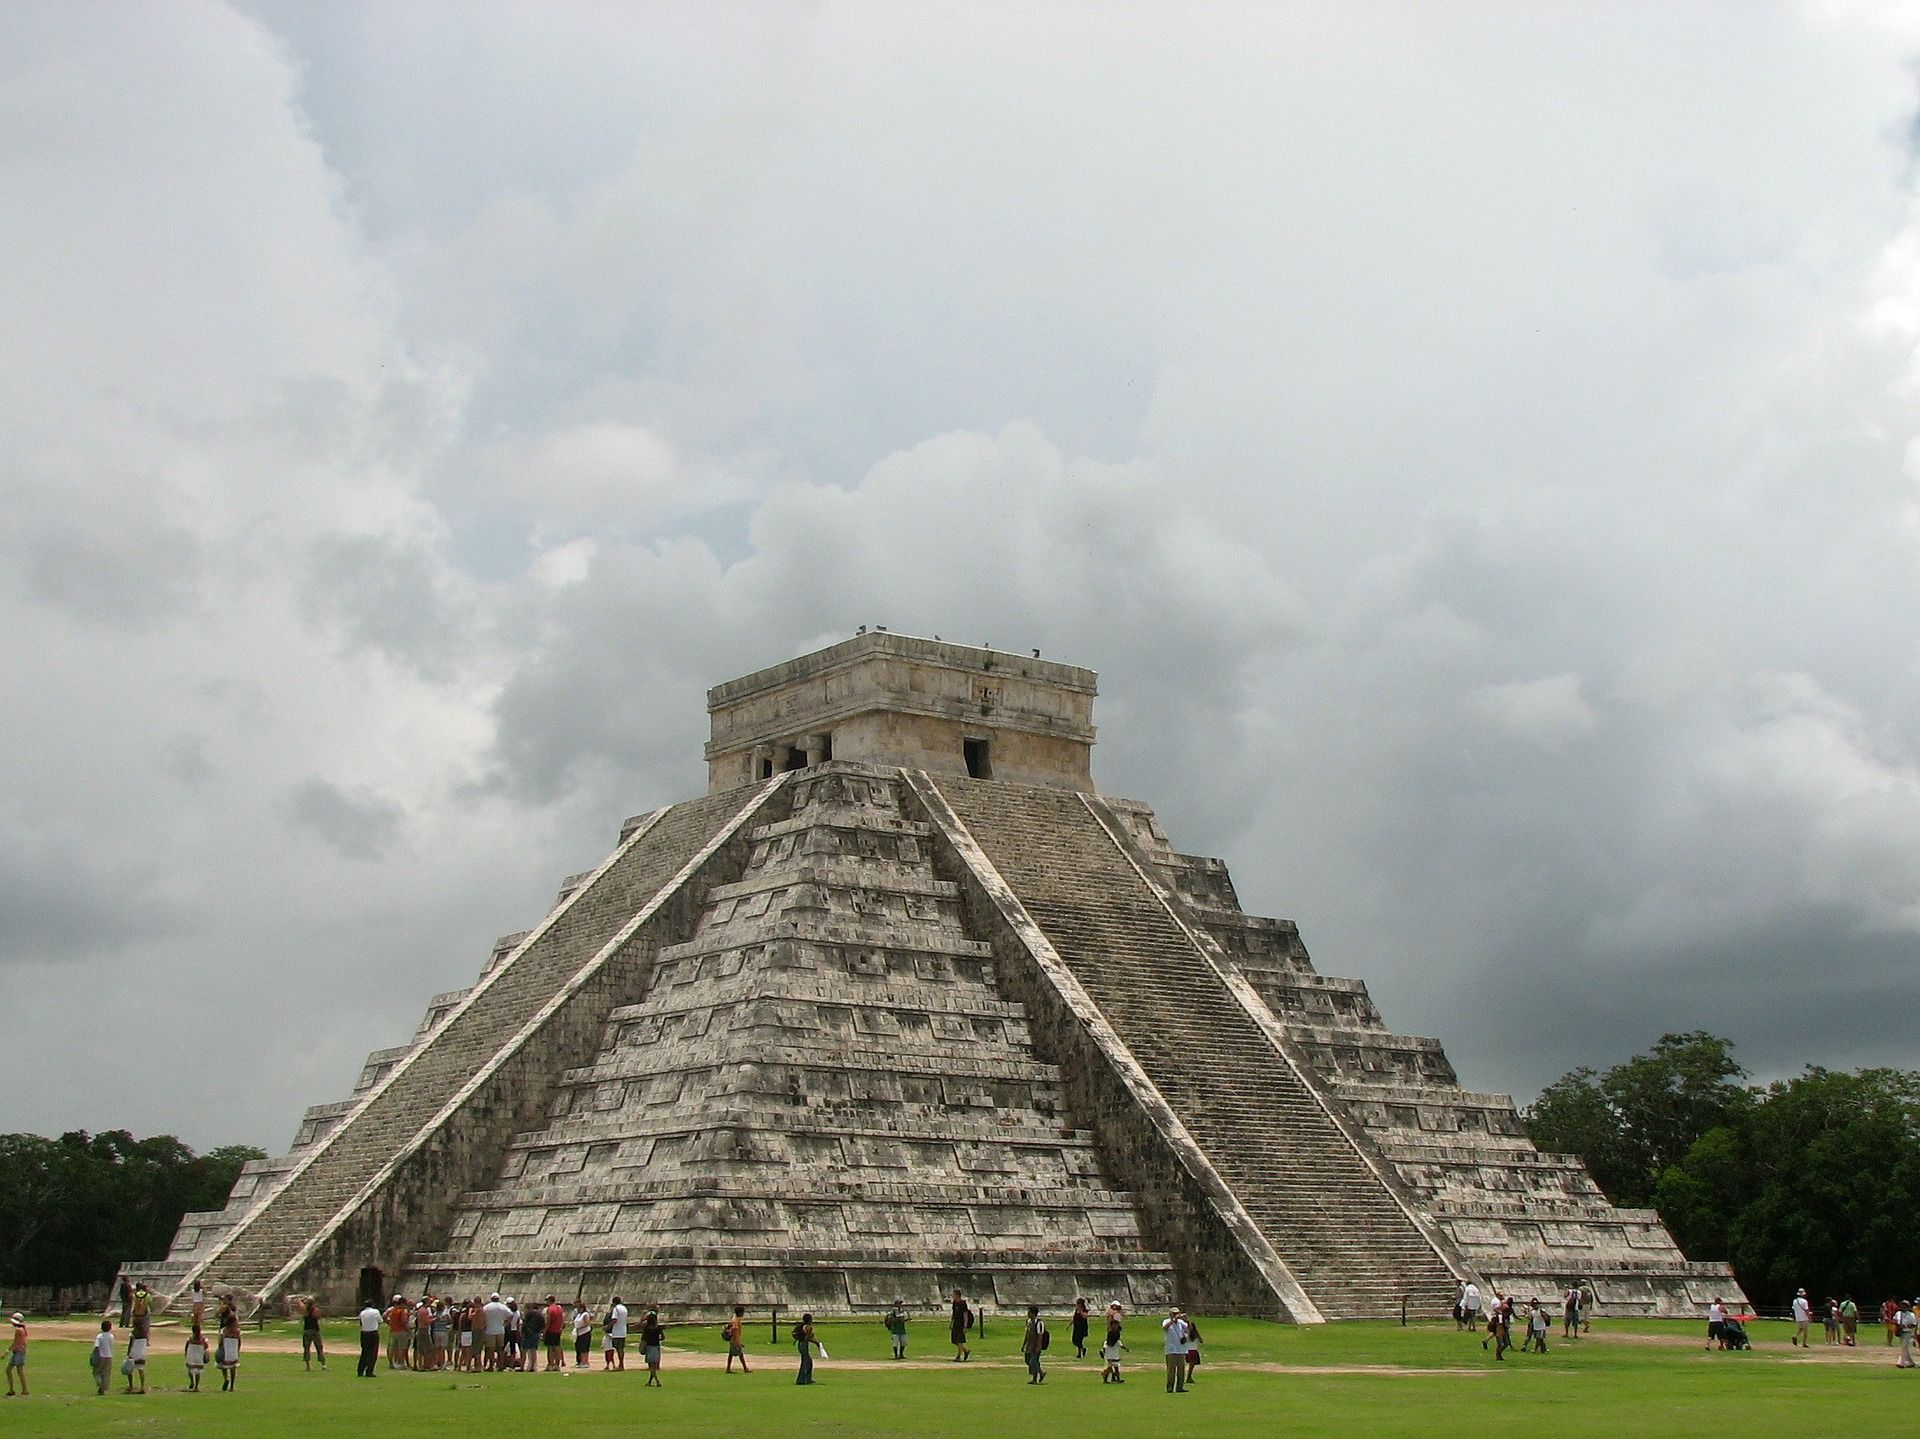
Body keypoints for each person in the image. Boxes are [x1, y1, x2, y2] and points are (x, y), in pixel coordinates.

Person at [217, 1299, 242, 1391]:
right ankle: (229, 1383)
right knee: (227, 1363)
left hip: (228, 1339)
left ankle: (229, 1382)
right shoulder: (230, 1316)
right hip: (231, 1339)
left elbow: (225, 1328)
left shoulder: (231, 1317)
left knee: (228, 1363)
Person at [1161, 1308, 1188, 1392]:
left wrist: (1187, 1320)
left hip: (1181, 1349)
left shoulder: (1181, 1323)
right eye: (1174, 1313)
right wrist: (1173, 1320)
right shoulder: (1166, 1321)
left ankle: (1180, 1387)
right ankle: (1170, 1387)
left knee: (1181, 1370)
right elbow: (1165, 1328)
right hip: (1171, 1349)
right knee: (1171, 1370)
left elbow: (1189, 1328)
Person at [482, 1292, 510, 1370]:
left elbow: (483, 1317)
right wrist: (505, 1324)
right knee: (500, 1349)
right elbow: (510, 1315)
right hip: (500, 1330)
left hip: (490, 1330)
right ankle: (500, 1365)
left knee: (490, 1349)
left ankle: (491, 1366)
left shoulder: (486, 1307)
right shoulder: (503, 1307)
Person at [1100, 1302, 1126, 1384]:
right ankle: (1109, 1378)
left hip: (1112, 1349)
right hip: (1111, 1349)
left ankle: (1114, 1378)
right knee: (1111, 1366)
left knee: (1113, 1366)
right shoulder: (1112, 1332)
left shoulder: (1115, 1330)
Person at [1021, 1305, 1048, 1384]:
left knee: (1033, 1361)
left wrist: (1038, 1346)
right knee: (1027, 1360)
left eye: (1029, 1312)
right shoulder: (1029, 1322)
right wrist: (1023, 1344)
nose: (1028, 1314)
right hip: (1029, 1345)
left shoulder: (1039, 1323)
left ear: (1033, 1313)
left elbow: (1040, 1335)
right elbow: (1027, 1334)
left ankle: (1035, 1379)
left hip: (1035, 1345)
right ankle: (1041, 1372)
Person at [640, 1309, 666, 1385]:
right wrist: (657, 1339)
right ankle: (650, 1381)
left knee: (651, 1366)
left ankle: (657, 1380)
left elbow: (643, 1339)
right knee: (653, 1366)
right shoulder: (658, 1328)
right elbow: (663, 1337)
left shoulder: (646, 1329)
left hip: (649, 1347)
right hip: (656, 1347)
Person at [793, 1311, 820, 1385]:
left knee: (808, 1362)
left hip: (801, 1345)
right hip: (804, 1345)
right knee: (806, 1362)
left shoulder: (802, 1326)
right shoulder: (808, 1327)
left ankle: (807, 1379)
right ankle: (802, 1380)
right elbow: (808, 1338)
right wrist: (817, 1342)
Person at [357, 1298, 382, 1377]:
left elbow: (361, 1323)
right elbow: (380, 1321)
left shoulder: (362, 1313)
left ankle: (360, 1370)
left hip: (364, 1333)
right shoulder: (376, 1312)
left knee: (364, 1352)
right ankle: (369, 1371)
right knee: (373, 1353)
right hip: (373, 1333)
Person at [301, 1296, 326, 1370]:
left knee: (306, 1348)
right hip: (315, 1330)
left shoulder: (304, 1310)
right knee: (319, 1348)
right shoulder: (316, 1310)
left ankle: (308, 1366)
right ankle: (323, 1365)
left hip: (307, 1330)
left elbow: (299, 1302)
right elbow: (319, 1316)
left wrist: (304, 1298)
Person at [91, 1320, 114, 1396]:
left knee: (96, 1372)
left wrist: (93, 1355)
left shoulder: (99, 1336)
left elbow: (96, 1347)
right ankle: (104, 1389)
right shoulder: (111, 1336)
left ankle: (100, 1384)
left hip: (101, 1356)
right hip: (109, 1356)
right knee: (106, 1374)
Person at [725, 1304, 750, 1373]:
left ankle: (728, 1368)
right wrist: (738, 1342)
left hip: (733, 1341)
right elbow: (734, 1330)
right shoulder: (735, 1320)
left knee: (731, 1355)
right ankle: (745, 1368)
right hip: (735, 1341)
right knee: (740, 1355)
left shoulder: (734, 1319)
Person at [183, 1324, 208, 1392]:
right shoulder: (203, 1338)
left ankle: (192, 1382)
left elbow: (187, 1346)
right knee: (198, 1371)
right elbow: (206, 1346)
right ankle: (196, 1386)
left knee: (190, 1369)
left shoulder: (191, 1337)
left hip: (191, 1353)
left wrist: (186, 1353)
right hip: (199, 1354)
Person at [949, 1289, 972, 1361]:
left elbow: (965, 1315)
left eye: (954, 1294)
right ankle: (965, 1350)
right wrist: (951, 1322)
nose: (953, 1296)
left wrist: (965, 1326)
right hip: (956, 1322)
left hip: (961, 1323)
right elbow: (954, 1313)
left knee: (959, 1340)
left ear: (957, 1295)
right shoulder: (954, 1303)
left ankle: (958, 1356)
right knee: (954, 1340)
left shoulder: (963, 1303)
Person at [6, 1313, 26, 1397]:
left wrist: (7, 1351)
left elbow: (15, 1342)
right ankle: (12, 1389)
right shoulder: (22, 1329)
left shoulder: (19, 1330)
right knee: (9, 1370)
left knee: (19, 1372)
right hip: (17, 1352)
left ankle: (24, 1389)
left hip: (18, 1352)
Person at [544, 1295, 566, 1371]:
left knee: (550, 1348)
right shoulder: (559, 1309)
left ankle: (550, 1364)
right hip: (557, 1331)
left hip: (551, 1330)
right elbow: (562, 1320)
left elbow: (548, 1321)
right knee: (557, 1348)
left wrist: (544, 1331)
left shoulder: (549, 1309)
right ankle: (557, 1365)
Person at [607, 1295, 629, 1371]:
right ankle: (621, 1363)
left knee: (618, 1348)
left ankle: (621, 1365)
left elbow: (614, 1319)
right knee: (621, 1348)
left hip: (617, 1331)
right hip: (623, 1330)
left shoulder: (616, 1309)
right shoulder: (624, 1308)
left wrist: (608, 1327)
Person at [1895, 1299, 1916, 1369]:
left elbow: (1914, 1324)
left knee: (1904, 1347)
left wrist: (1905, 1326)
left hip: (1908, 1332)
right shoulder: (1898, 1313)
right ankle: (1910, 1362)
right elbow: (1895, 1320)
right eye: (1901, 1305)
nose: (1902, 1306)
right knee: (1904, 1348)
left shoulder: (1911, 1314)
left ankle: (1901, 1362)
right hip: (1900, 1332)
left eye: (1904, 1305)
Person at [573, 1302, 593, 1369]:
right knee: (579, 1348)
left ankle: (585, 1362)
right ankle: (581, 1361)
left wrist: (579, 1327)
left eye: (579, 1308)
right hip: (579, 1333)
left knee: (584, 1348)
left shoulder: (585, 1314)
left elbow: (587, 1323)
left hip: (585, 1333)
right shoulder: (578, 1315)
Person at [1184, 1313, 1202, 1383]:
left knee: (1191, 1365)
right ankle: (1188, 1377)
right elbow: (1201, 1340)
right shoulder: (1191, 1334)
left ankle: (1188, 1377)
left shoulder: (1188, 1333)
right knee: (1191, 1365)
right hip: (1192, 1350)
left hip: (1188, 1350)